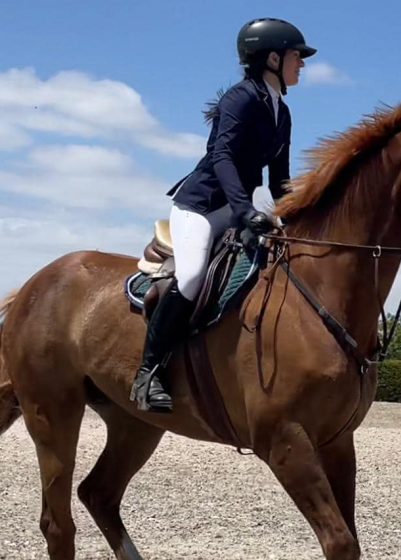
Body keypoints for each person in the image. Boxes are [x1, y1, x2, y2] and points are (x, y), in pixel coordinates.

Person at [131, 18, 317, 413]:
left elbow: (280, 177)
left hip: (237, 210)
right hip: (200, 206)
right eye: (296, 56)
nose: (301, 63)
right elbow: (223, 157)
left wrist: (295, 216)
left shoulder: (281, 113)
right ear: (272, 58)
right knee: (194, 274)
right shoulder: (240, 98)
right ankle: (148, 373)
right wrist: (245, 209)